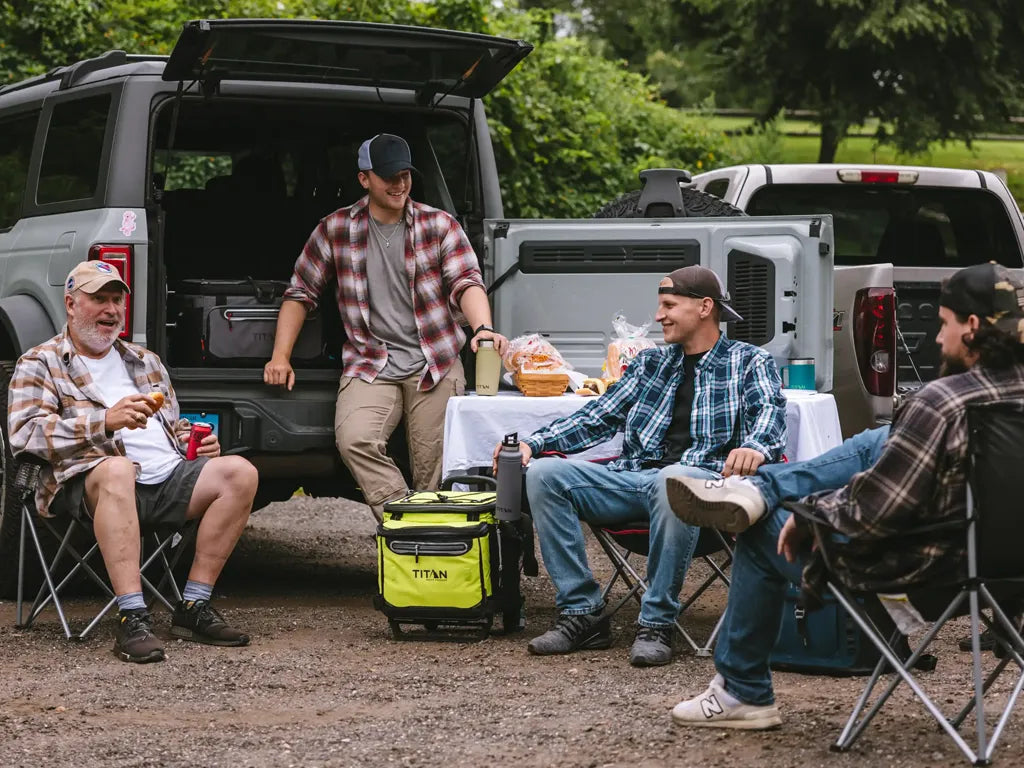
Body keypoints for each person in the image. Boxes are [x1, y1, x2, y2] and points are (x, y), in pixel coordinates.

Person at [669, 261, 1024, 729]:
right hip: (1009, 579)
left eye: (944, 324)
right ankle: (760, 487)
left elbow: (874, 512)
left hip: (927, 577)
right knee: (879, 442)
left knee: (758, 529)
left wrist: (812, 515)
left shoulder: (941, 402)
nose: (938, 339)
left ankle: (742, 694)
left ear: (972, 327)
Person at [496, 265, 787, 667]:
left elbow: (770, 415)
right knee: (546, 474)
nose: (658, 316)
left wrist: (755, 446)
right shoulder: (651, 365)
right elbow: (597, 417)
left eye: (669, 305)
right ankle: (583, 614)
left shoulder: (749, 361)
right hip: (633, 481)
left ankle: (657, 622)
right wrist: (534, 442)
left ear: (705, 307)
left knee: (674, 478)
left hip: (705, 491)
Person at [8, 261, 258, 664]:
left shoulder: (145, 361)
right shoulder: (41, 362)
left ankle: (192, 607)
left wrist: (194, 440)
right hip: (89, 482)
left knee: (239, 473)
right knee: (118, 470)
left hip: (165, 479)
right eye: (98, 300)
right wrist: (103, 422)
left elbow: (172, 426)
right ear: (71, 304)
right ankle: (131, 616)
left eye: (116, 300)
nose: (110, 310)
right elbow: (25, 434)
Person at [265, 133, 507, 518]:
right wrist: (281, 357)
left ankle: (434, 551)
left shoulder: (439, 225)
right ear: (365, 179)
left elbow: (467, 282)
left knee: (437, 469)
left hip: (435, 361)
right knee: (354, 439)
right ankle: (406, 521)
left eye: (405, 175)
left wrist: (481, 330)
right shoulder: (335, 228)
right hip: (371, 362)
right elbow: (300, 293)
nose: (399, 184)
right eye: (389, 176)